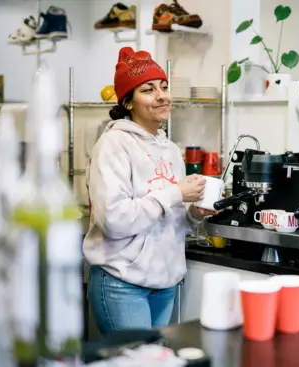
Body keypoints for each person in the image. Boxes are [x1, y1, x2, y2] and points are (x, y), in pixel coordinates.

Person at [83, 47, 214, 334]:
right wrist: (176, 194)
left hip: (164, 283)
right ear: (128, 102)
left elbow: (171, 218)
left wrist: (194, 213)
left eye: (164, 87)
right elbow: (114, 220)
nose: (163, 96)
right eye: (149, 89)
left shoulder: (169, 149)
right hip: (122, 282)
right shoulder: (113, 145)